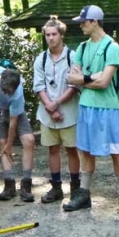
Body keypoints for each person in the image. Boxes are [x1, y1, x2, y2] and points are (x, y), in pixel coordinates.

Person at [65, 5, 119, 218]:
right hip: (86, 106)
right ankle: (84, 194)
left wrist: (85, 79)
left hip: (107, 108)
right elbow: (71, 78)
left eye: (84, 21)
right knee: (85, 150)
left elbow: (105, 82)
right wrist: (90, 77)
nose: (80, 25)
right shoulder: (82, 48)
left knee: (116, 151)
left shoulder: (111, 46)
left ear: (95, 21)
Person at [33, 16, 81, 203]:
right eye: (47, 35)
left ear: (61, 35)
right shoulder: (41, 58)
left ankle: (76, 188)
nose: (51, 38)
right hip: (47, 114)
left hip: (69, 113)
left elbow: (75, 85)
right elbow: (38, 86)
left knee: (72, 150)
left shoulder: (73, 56)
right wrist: (50, 108)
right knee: (52, 149)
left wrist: (57, 104)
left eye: (54, 34)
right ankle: (56, 187)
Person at [0, 64, 36, 202]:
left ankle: (26, 185)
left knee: (29, 140)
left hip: (12, 111)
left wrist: (10, 145)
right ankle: (9, 185)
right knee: (2, 143)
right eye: (3, 89)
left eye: (8, 92)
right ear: (1, 78)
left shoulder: (17, 95)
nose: (4, 93)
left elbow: (13, 123)